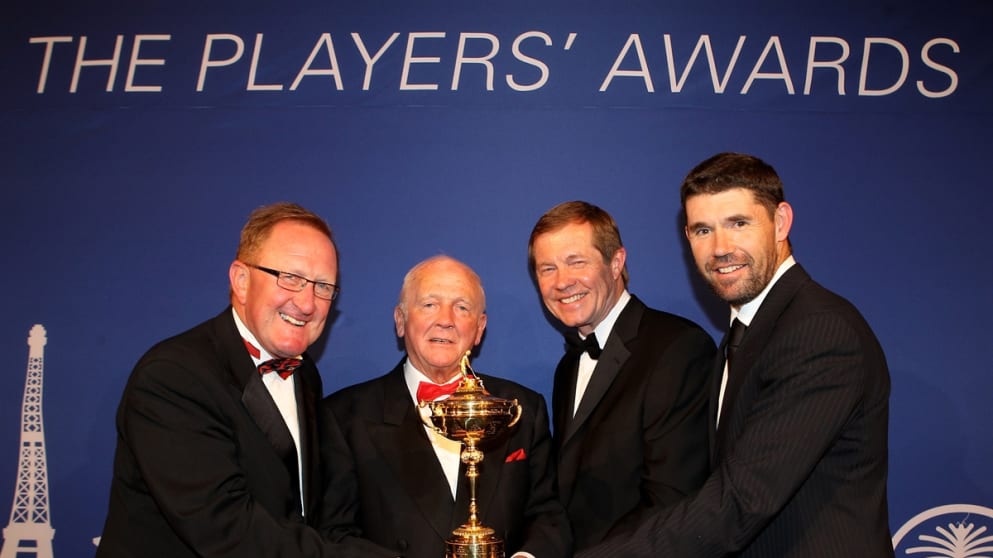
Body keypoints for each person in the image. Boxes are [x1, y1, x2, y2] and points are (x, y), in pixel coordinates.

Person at [578, 152, 894, 557]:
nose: (720, 248)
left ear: (780, 222)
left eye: (738, 224)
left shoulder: (819, 331)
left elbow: (742, 499)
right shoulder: (745, 330)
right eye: (702, 230)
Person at [96, 202, 394, 558]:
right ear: (241, 280)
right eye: (290, 278)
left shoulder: (304, 374)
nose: (306, 302)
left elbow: (315, 513)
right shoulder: (173, 378)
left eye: (323, 286)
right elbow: (228, 530)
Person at [321, 255, 572, 558]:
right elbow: (334, 535)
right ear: (400, 320)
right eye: (429, 305)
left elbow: (548, 518)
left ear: (479, 328)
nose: (446, 319)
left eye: (462, 307)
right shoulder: (345, 417)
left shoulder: (522, 409)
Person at [527, 201, 716, 551]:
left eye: (576, 262)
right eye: (547, 268)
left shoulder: (677, 347)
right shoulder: (568, 367)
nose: (562, 282)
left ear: (616, 262)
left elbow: (672, 500)